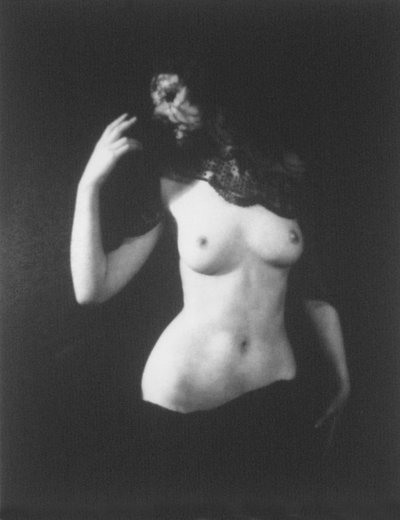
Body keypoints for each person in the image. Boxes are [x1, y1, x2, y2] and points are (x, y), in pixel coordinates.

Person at [70, 63, 350, 497]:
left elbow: (315, 291)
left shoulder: (285, 183)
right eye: (164, 103)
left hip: (275, 396)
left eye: (177, 96)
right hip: (184, 398)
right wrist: (88, 185)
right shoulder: (173, 184)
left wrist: (342, 376)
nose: (171, 112)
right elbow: (92, 289)